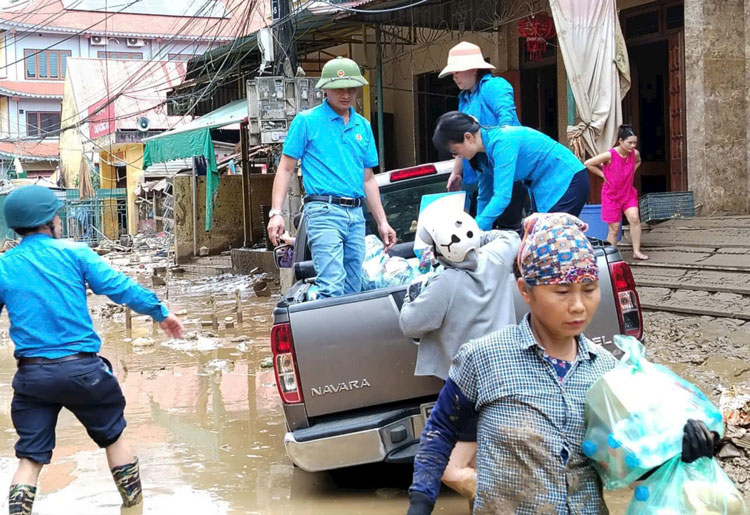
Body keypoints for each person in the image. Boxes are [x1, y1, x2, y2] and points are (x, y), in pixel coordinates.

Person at [406, 213, 717, 514]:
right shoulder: (484, 357)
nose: (578, 306)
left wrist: (685, 452)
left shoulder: (607, 373)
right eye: (562, 291)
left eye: (589, 289)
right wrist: (420, 504)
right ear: (526, 291)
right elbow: (441, 431)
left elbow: (629, 465)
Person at [0, 185, 185, 514]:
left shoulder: (5, 266)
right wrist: (160, 312)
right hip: (84, 373)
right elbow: (119, 287)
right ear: (50, 221)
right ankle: (134, 507)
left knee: (29, 459)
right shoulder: (75, 253)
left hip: (32, 377)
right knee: (114, 439)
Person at [399, 201, 520, 501]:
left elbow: (410, 324)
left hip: (469, 388)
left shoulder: (445, 283)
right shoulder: (496, 259)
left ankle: (508, 503)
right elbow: (511, 238)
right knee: (481, 461)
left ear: (441, 252)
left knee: (450, 468)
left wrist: (408, 298)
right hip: (509, 378)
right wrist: (479, 238)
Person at [266, 56, 397, 298]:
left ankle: (347, 335)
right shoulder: (306, 121)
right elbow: (285, 168)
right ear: (325, 90)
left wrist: (382, 221)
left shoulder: (363, 126)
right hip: (323, 211)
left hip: (356, 215)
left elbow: (368, 178)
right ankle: (328, 335)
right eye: (338, 89)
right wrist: (276, 213)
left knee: (353, 286)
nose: (345, 94)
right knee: (332, 285)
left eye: (350, 89)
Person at [433, 112, 590, 231]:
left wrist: (475, 231)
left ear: (468, 137)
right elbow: (485, 197)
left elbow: (502, 196)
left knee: (547, 239)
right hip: (542, 187)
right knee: (534, 239)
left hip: (566, 179)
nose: (456, 156)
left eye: (454, 150)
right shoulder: (479, 157)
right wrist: (479, 232)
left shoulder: (502, 142)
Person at [439, 41, 529, 231]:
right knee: (481, 227)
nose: (454, 76)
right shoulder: (464, 99)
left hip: (506, 170)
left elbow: (508, 123)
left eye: (458, 70)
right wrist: (457, 172)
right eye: (452, 72)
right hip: (481, 172)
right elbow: (460, 137)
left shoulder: (493, 86)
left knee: (507, 230)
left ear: (473, 69)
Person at [584, 124, 649, 260]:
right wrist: (603, 175)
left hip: (628, 193)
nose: (633, 146)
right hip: (611, 195)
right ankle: (611, 258)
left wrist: (631, 172)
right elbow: (588, 163)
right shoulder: (610, 154)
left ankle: (636, 251)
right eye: (630, 142)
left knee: (635, 219)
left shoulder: (634, 154)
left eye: (635, 143)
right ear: (620, 141)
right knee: (614, 229)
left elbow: (638, 161)